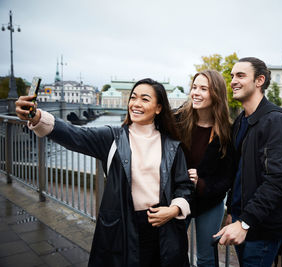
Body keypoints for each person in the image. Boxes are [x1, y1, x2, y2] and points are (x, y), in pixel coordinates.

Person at [15, 78, 193, 267]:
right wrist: (36, 117)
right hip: (122, 226)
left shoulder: (172, 146)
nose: (136, 104)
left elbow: (185, 186)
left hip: (162, 228)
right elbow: (74, 135)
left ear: (158, 108)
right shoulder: (112, 138)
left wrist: (173, 210)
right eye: (133, 98)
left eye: (145, 99)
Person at [214, 57, 282, 267]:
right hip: (242, 221)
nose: (233, 81)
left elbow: (277, 181)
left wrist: (245, 222)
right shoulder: (242, 121)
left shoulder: (276, 121)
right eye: (232, 76)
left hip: (261, 226)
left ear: (259, 80)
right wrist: (233, 212)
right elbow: (238, 172)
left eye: (240, 75)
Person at [175, 70, 235, 267]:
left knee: (207, 258)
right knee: (172, 250)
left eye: (203, 88)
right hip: (178, 198)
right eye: (194, 87)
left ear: (216, 94)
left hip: (210, 202)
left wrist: (200, 183)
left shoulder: (227, 131)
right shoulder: (177, 120)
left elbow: (228, 177)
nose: (195, 93)